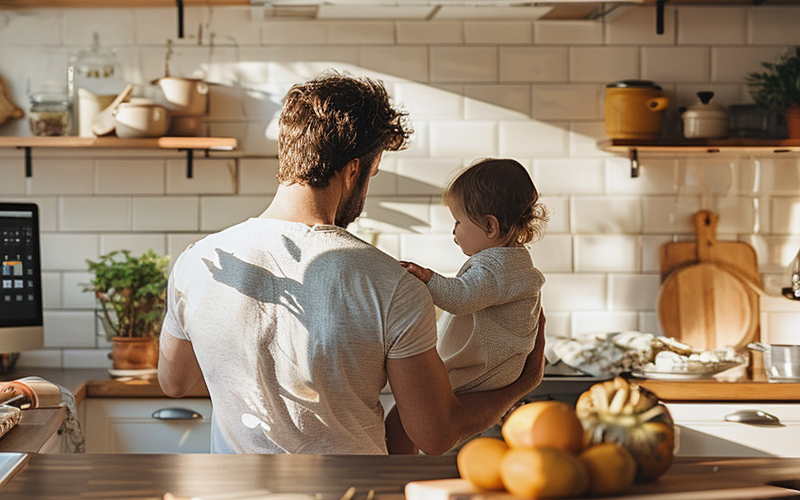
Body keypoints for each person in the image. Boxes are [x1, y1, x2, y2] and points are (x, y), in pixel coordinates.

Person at [157, 71, 545, 455]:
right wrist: (520, 385)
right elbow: (435, 434)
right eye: (372, 172)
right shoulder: (395, 284)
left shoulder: (199, 261)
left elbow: (174, 382)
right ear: (354, 170)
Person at [387, 158, 546, 453]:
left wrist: (428, 279)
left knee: (406, 416)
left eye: (458, 222)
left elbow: (462, 298)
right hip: (498, 366)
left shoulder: (496, 265)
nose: (454, 231)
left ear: (490, 226)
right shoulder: (512, 261)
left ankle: (397, 468)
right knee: (407, 417)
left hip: (485, 368)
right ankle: (403, 462)